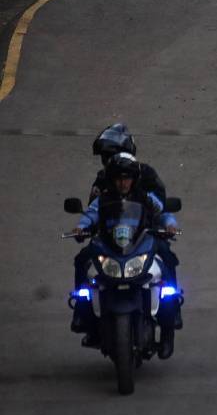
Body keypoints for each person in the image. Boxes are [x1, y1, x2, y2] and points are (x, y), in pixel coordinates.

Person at [69, 152, 180, 346]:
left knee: (168, 258)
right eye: (118, 178)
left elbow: (162, 212)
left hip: (142, 242)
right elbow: (91, 215)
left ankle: (170, 320)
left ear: (134, 179)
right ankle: (81, 311)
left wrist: (170, 226)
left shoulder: (146, 197)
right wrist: (81, 228)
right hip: (110, 246)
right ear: (112, 180)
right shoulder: (103, 199)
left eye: (126, 178)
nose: (123, 182)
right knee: (81, 260)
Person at [89, 123, 166, 204]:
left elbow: (161, 203)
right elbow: (92, 208)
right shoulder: (103, 177)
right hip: (111, 215)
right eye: (104, 156)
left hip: (143, 215)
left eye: (108, 156)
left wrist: (148, 200)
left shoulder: (146, 173)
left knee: (168, 216)